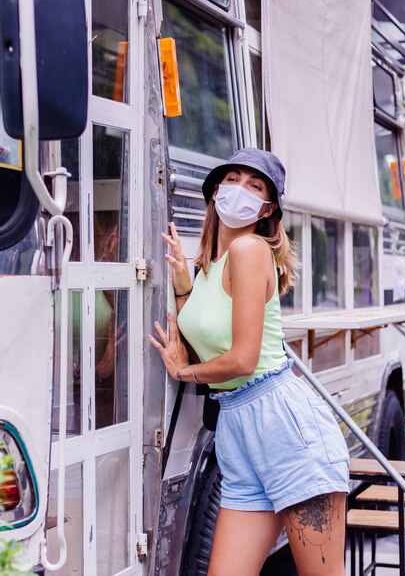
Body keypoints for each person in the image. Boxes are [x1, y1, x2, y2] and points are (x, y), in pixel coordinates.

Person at [149, 148, 349, 576]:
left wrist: (184, 372)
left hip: (283, 426)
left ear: (267, 208)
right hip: (237, 431)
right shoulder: (210, 267)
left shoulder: (250, 250)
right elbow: (209, 333)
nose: (239, 189)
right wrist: (185, 289)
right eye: (233, 179)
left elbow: (242, 358)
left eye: (254, 186)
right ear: (216, 190)